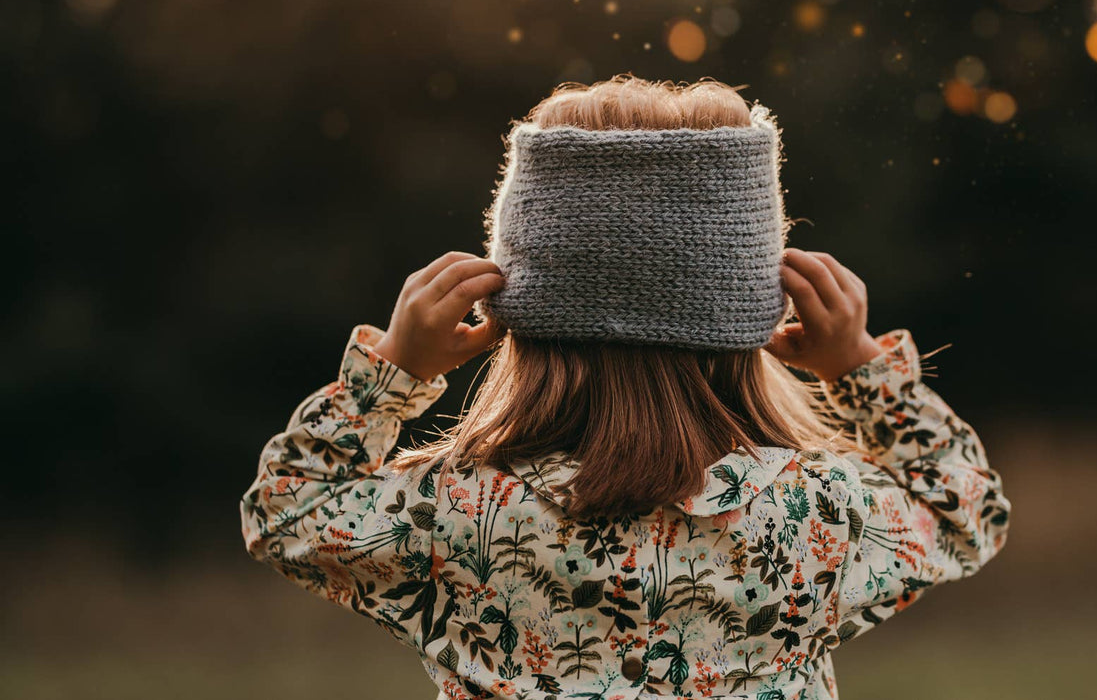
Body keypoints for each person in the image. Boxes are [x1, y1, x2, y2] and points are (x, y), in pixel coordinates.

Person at [240, 74, 1010, 700]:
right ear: (748, 307)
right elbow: (964, 509)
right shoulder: (818, 518)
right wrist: (860, 371)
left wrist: (395, 373)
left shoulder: (458, 516)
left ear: (518, 310)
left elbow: (284, 513)